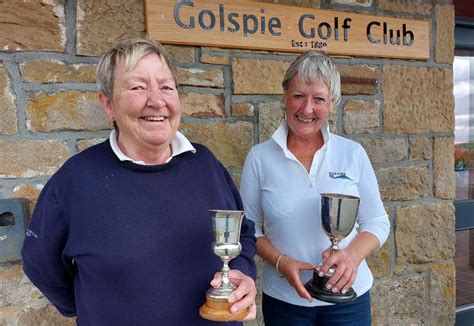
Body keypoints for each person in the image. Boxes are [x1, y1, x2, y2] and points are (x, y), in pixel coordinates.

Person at [21, 38, 257, 325]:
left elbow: (243, 233)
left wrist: (242, 273)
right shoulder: (74, 181)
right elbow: (40, 264)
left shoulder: (206, 164)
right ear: (107, 104)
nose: (157, 101)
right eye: (138, 87)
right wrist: (90, 305)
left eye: (167, 87)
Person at [240, 50, 390, 325]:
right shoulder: (260, 157)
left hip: (348, 299)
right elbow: (249, 230)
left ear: (332, 103)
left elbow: (377, 222)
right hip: (285, 301)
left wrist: (352, 256)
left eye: (319, 99)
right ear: (284, 96)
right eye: (298, 96)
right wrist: (280, 261)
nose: (307, 109)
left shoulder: (352, 153)